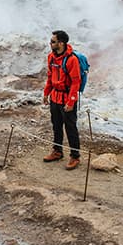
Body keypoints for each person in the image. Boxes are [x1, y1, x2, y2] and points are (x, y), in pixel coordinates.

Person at [42, 29, 82, 170]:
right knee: (56, 125)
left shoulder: (72, 60)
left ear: (61, 43)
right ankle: (57, 151)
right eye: (50, 41)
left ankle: (75, 156)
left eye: (53, 41)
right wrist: (46, 93)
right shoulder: (51, 57)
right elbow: (49, 77)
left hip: (66, 98)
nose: (50, 44)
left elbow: (76, 82)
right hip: (55, 97)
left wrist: (71, 102)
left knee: (70, 127)